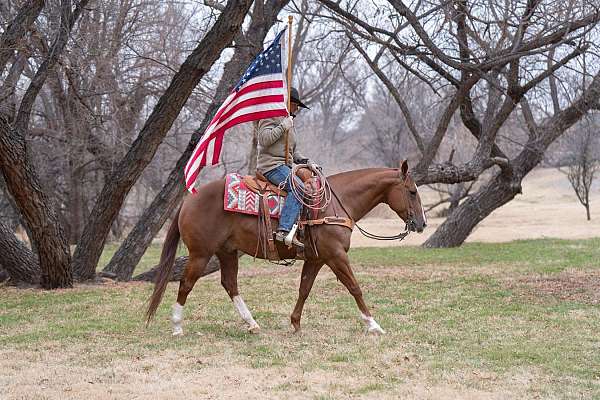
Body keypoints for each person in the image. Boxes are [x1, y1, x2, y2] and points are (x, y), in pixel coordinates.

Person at [255, 87, 316, 249]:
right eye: (295, 105)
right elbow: (264, 139)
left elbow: (293, 151)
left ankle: (298, 230)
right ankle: (283, 230)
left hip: (284, 166)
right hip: (271, 166)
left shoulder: (288, 121)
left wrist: (307, 161)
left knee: (309, 188)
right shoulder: (271, 116)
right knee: (298, 188)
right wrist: (283, 125)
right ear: (288, 103)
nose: (297, 109)